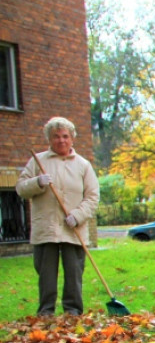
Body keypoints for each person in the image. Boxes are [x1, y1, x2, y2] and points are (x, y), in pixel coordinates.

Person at [16, 117, 99, 317]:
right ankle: (46, 311)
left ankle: (73, 310)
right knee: (46, 274)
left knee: (74, 272)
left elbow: (93, 197)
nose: (61, 140)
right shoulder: (38, 161)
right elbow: (20, 188)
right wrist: (37, 182)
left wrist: (78, 216)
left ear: (72, 139)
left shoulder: (83, 165)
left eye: (65, 136)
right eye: (56, 136)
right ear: (49, 139)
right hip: (46, 228)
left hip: (73, 229)